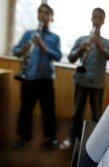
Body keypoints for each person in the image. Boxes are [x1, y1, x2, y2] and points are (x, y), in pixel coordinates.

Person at [60, 7, 109, 149]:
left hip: (97, 84)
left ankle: (95, 144)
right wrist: (80, 49)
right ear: (91, 19)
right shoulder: (81, 39)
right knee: (76, 113)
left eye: (100, 18)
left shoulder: (107, 43)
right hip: (81, 81)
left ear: (103, 21)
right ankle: (72, 139)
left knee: (97, 115)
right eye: (95, 17)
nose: (97, 20)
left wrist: (100, 48)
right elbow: (71, 58)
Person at [12, 3, 62, 149]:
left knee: (48, 110)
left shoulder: (55, 38)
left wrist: (43, 46)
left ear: (51, 18)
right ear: (38, 16)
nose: (43, 16)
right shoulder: (28, 34)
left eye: (47, 13)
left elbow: (58, 56)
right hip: (28, 77)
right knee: (26, 109)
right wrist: (21, 50)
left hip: (46, 78)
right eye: (41, 13)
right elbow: (15, 51)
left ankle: (52, 136)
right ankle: (24, 136)